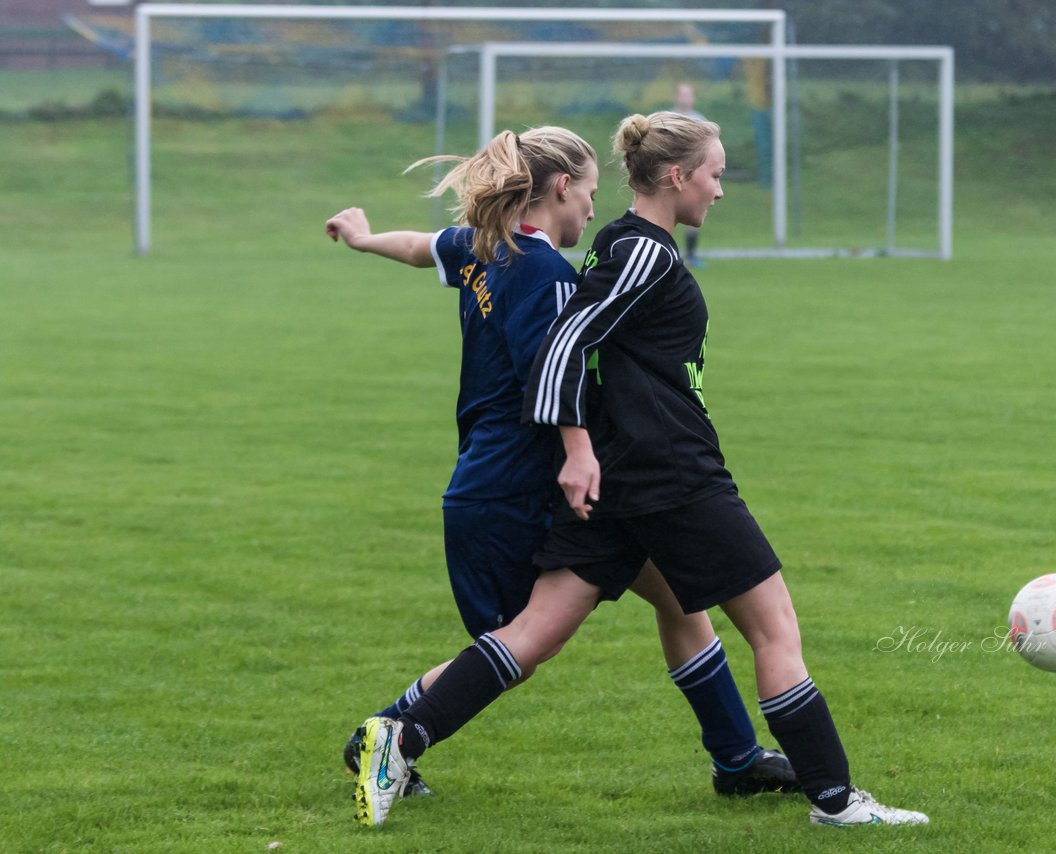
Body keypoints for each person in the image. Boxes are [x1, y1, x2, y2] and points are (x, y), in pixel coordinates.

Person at [356, 113, 929, 829]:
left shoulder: (611, 249)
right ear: (677, 176)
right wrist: (577, 449)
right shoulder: (639, 253)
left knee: (558, 628)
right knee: (776, 631)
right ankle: (837, 802)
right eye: (716, 174)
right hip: (672, 478)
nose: (721, 190)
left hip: (625, 484)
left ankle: (399, 735)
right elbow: (564, 346)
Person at [670, 83, 705, 267]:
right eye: (682, 95)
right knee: (669, 215)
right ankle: (668, 255)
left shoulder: (699, 121)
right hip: (671, 176)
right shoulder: (668, 120)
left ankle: (691, 255)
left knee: (693, 216)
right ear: (677, 97)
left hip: (692, 176)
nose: (685, 98)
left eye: (688, 95)